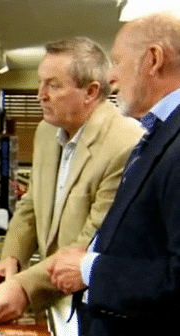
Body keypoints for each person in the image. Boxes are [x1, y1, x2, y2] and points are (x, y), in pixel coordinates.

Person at [0, 37, 144, 334]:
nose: (40, 95)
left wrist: (24, 287)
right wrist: (12, 257)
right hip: (53, 292)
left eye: (53, 85)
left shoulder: (126, 142)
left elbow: (92, 240)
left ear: (91, 92)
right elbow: (30, 205)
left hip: (94, 305)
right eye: (41, 84)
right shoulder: (45, 131)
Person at [48, 13, 180, 336]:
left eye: (118, 61)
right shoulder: (157, 134)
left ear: (153, 59)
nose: (111, 76)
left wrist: (90, 268)